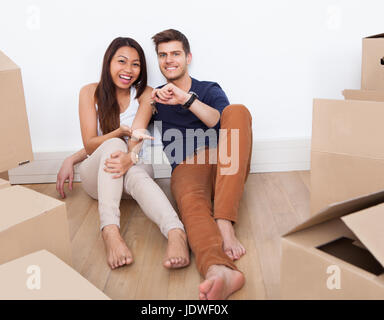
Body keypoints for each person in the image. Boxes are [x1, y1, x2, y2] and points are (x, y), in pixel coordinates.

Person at [56, 37, 189, 270]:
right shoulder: (89, 92)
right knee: (116, 144)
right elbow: (90, 145)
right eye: (122, 61)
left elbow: (136, 137)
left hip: (135, 166)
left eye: (136, 64)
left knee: (134, 171)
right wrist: (75, 156)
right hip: (97, 177)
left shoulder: (146, 94)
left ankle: (176, 233)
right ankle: (110, 232)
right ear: (108, 62)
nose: (128, 70)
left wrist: (131, 157)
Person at [150, 29, 253, 300]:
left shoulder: (208, 88)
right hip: (187, 165)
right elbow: (131, 126)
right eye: (162, 55)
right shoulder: (154, 97)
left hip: (224, 159)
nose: (169, 60)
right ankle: (220, 271)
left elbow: (220, 121)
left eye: (175, 54)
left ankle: (224, 221)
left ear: (188, 57)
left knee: (238, 111)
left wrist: (186, 99)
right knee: (191, 203)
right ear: (158, 60)